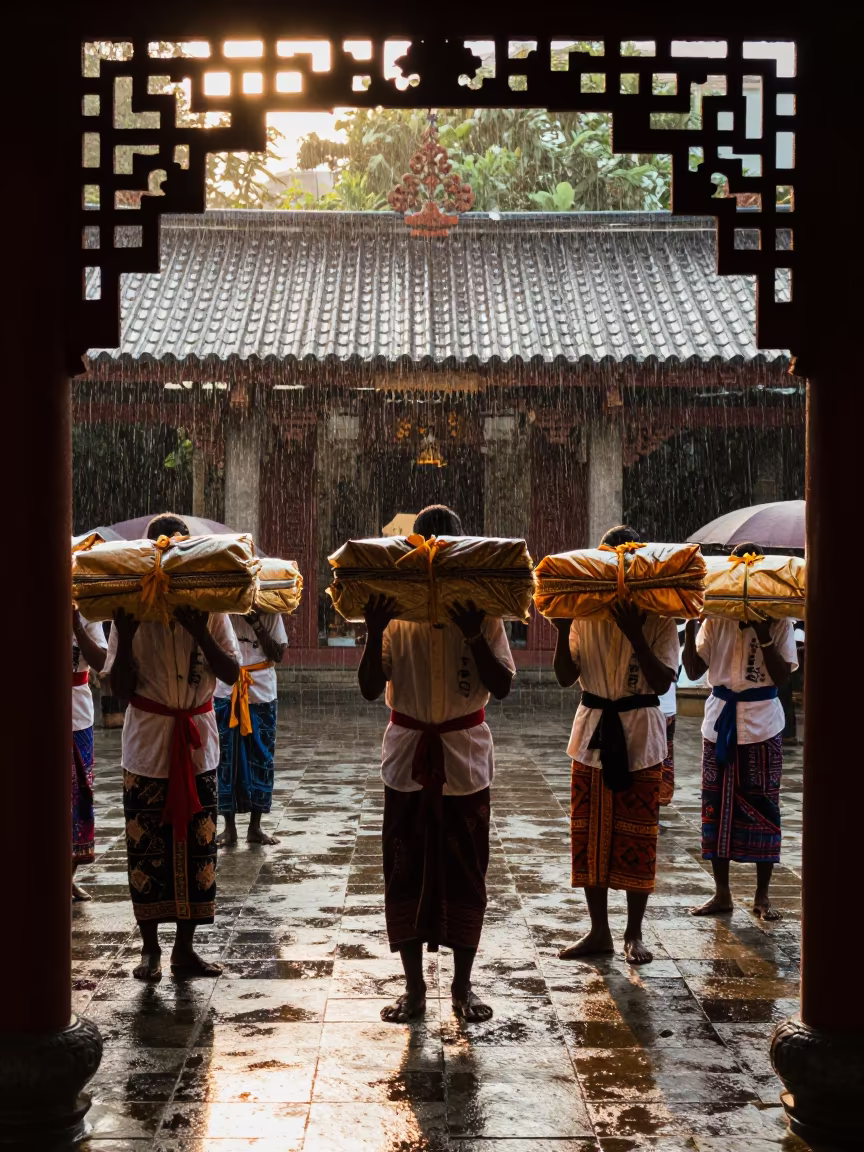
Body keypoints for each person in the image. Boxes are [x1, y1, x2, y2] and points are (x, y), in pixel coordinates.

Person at [358, 504, 515, 1024]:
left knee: (467, 871)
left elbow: (504, 685)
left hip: (464, 752)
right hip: (406, 753)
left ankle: (463, 987)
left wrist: (473, 632)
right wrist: (372, 628)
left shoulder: (484, 608)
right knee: (403, 869)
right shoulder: (394, 611)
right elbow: (366, 688)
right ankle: (415, 987)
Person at [105, 513, 240, 980]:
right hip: (147, 742)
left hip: (198, 741)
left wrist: (200, 629)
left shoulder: (213, 606)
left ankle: (185, 949)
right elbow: (118, 688)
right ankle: (150, 950)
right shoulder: (129, 609)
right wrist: (128, 635)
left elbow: (231, 673)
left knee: (198, 848)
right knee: (147, 849)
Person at [552, 525, 678, 965]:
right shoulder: (584, 614)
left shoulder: (661, 617)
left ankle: (634, 933)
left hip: (641, 732)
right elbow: (566, 676)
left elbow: (662, 681)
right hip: (591, 733)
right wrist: (564, 623)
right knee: (590, 837)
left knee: (637, 835)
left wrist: (636, 633)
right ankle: (599, 931)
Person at [682, 542, 797, 922]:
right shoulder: (717, 618)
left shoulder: (780, 619)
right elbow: (695, 670)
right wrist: (693, 621)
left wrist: (763, 633)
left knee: (764, 807)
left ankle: (762, 895)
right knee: (715, 806)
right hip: (720, 721)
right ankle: (722, 892)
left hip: (763, 721)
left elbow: (783, 678)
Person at [214, 608, 287, 847]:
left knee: (261, 757)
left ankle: (255, 827)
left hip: (262, 691)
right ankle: (229, 828)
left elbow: (278, 654)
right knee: (227, 757)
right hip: (226, 690)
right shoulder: (222, 613)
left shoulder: (272, 614)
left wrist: (256, 624)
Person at [71, 607, 107, 901]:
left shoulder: (86, 612)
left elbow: (102, 663)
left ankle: (67, 875)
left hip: (77, 717)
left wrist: (76, 626)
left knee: (79, 797)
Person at [657, 621, 686, 825]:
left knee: (663, 761)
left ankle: (656, 806)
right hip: (643, 705)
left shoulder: (671, 629)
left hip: (665, 706)